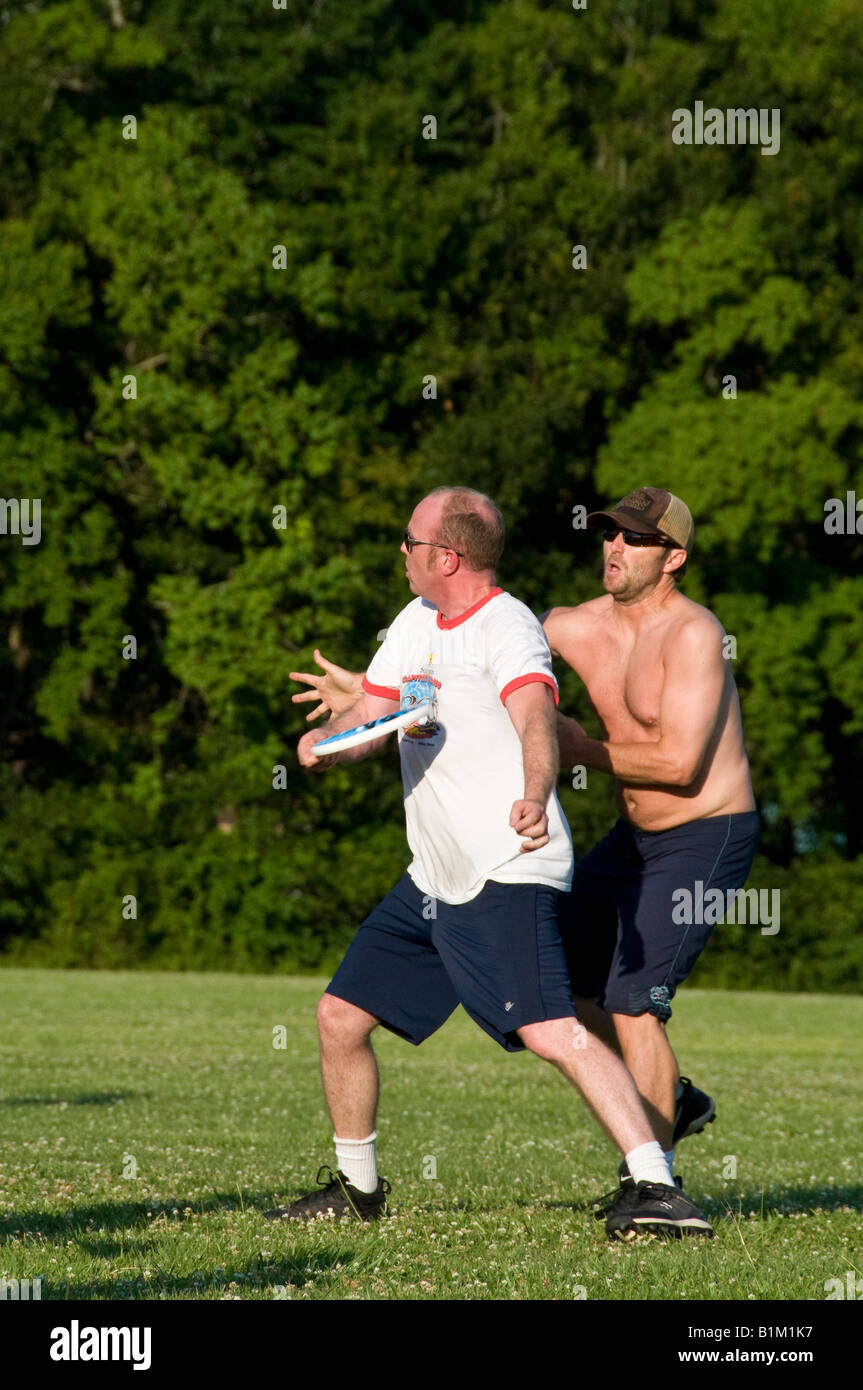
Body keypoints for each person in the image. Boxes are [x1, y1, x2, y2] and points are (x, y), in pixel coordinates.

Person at [276, 486, 713, 1240]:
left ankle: (656, 1187)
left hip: (504, 866)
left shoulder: (506, 629)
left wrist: (536, 794)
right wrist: (332, 741)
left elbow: (536, 721)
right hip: (433, 878)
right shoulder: (414, 623)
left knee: (553, 1030)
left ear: (444, 556)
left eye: (409, 543)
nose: (402, 556)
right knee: (339, 1017)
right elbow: (375, 712)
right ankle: (357, 1187)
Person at [543, 487, 760, 1214]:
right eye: (608, 533)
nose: (614, 548)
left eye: (635, 539)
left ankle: (655, 1187)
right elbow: (476, 658)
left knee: (637, 1005)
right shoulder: (570, 625)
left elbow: (676, 765)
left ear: (674, 558)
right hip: (632, 841)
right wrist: (376, 696)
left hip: (705, 832)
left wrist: (576, 747)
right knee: (562, 989)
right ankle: (675, 1095)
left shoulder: (694, 633)